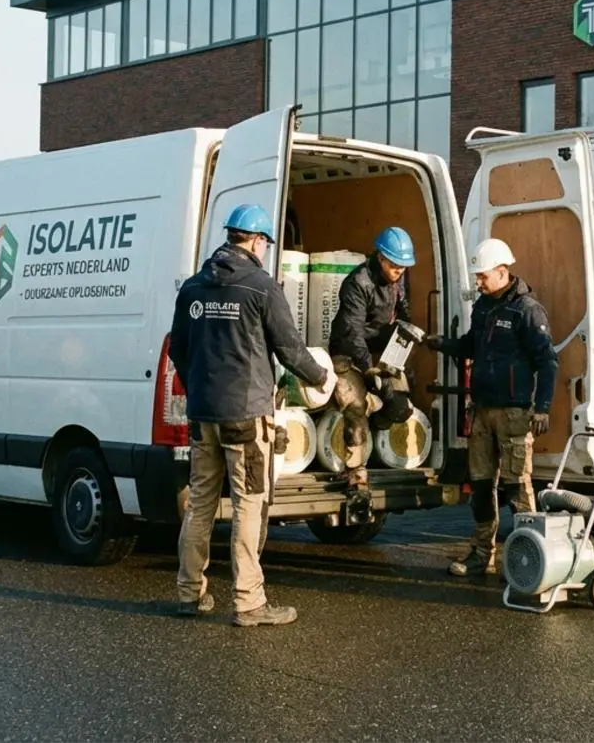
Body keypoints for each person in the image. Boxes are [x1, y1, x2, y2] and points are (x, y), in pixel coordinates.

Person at [169, 203, 329, 627]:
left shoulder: (192, 288)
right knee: (248, 504)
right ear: (257, 241)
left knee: (201, 501)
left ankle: (189, 593)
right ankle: (248, 601)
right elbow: (290, 350)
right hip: (247, 416)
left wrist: (200, 388)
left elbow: (178, 350)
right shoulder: (261, 287)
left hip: (203, 414)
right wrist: (321, 378)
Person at [423, 238, 557, 577]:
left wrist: (541, 408)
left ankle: (533, 556)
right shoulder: (483, 307)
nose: (478, 282)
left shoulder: (527, 310)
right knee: (481, 486)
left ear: (502, 272)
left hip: (514, 413)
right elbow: (471, 345)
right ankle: (482, 554)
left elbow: (548, 362)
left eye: (482, 276)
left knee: (516, 487)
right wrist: (445, 345)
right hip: (481, 410)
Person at [327, 226, 417, 491]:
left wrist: (405, 337)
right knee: (355, 409)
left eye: (403, 265)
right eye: (394, 265)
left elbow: (403, 313)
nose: (399, 270)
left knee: (400, 408)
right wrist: (370, 370)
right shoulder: (357, 283)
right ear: (380, 257)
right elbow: (352, 334)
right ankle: (355, 472)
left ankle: (373, 426)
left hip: (380, 351)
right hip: (348, 354)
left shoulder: (399, 279)